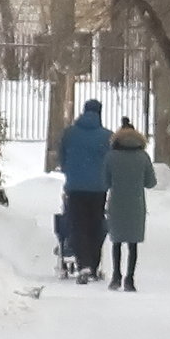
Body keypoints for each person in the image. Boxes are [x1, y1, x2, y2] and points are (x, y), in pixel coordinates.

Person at [59, 98, 112, 284]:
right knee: (96, 224)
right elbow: (109, 162)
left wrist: (71, 173)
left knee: (78, 224)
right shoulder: (107, 136)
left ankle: (83, 264)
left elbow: (62, 158)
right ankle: (94, 265)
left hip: (75, 187)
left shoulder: (70, 134)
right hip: (98, 188)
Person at [104, 117, 157, 292]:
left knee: (116, 241)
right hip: (136, 204)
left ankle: (116, 276)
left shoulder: (111, 156)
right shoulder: (143, 157)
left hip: (117, 203)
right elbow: (151, 182)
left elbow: (105, 182)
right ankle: (130, 279)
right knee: (133, 243)